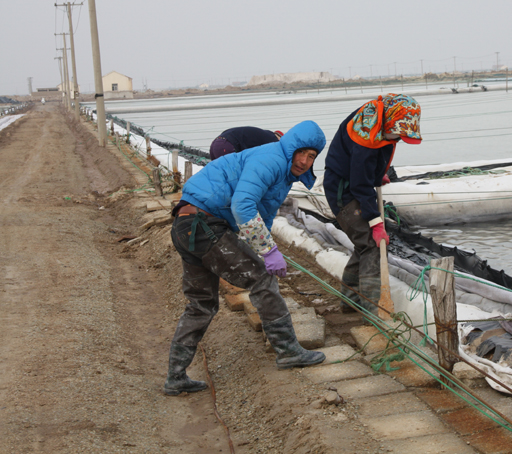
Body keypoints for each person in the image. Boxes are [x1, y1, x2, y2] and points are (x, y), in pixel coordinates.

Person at [164, 120, 326, 396]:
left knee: (201, 305)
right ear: (291, 148)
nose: (304, 161)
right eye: (301, 153)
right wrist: (268, 253)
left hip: (187, 226)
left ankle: (175, 376)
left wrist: (265, 247)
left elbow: (263, 214)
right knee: (262, 279)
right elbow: (243, 205)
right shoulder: (272, 159)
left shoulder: (282, 173)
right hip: (204, 225)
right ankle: (288, 351)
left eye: (312, 156)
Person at [323, 94, 422, 316]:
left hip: (353, 182)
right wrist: (375, 222)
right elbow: (360, 183)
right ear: (392, 121)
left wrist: (377, 175)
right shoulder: (365, 133)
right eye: (399, 134)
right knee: (372, 245)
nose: (399, 139)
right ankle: (372, 309)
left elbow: (379, 152)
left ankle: (350, 302)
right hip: (343, 191)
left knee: (363, 245)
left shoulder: (381, 118)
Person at [209, 126, 284, 160]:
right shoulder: (272, 138)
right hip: (227, 144)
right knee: (233, 174)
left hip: (216, 142)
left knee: (218, 173)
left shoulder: (260, 135)